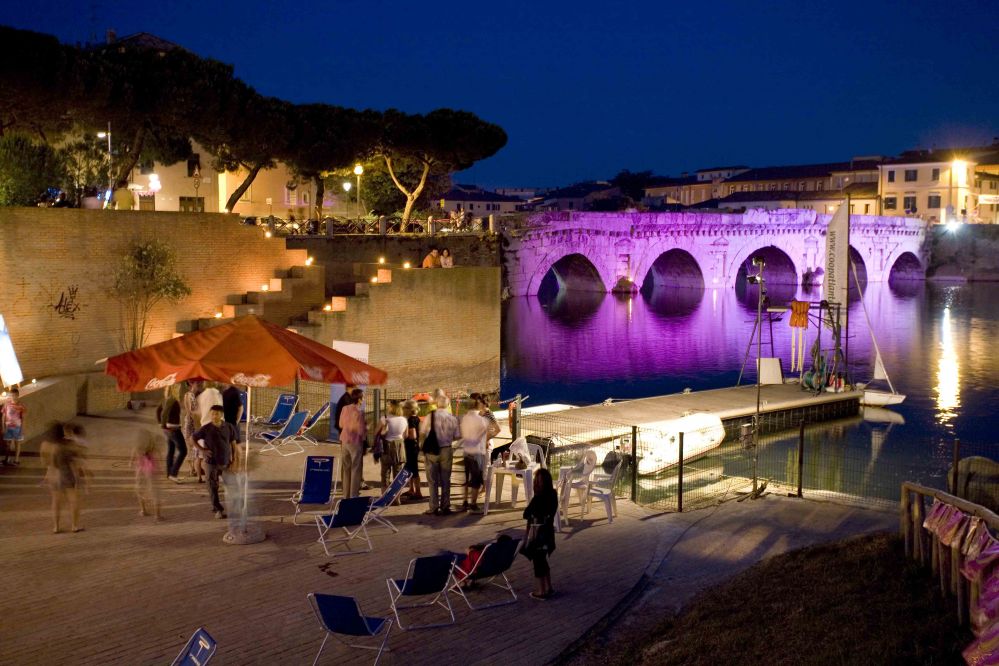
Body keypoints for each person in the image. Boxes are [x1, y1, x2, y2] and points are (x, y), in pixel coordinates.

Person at [40, 423, 89, 533]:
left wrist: (50, 474)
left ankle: (56, 527)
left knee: (56, 502)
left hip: (55, 474)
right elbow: (78, 460)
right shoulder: (69, 444)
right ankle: (74, 526)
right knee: (73, 500)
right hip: (68, 474)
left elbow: (48, 463)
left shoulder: (49, 445)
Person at [193, 405, 240, 519]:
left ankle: (235, 508)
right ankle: (218, 509)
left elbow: (233, 445)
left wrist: (234, 460)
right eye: (212, 413)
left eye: (217, 414)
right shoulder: (206, 428)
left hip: (225, 461)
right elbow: (193, 438)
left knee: (232, 484)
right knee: (212, 486)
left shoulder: (228, 427)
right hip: (210, 462)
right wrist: (202, 449)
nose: (214, 416)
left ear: (221, 415)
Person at [420, 393, 460, 516]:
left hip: (432, 450)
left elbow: (422, 433)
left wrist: (422, 447)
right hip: (447, 450)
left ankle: (433, 506)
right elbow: (457, 435)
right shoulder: (452, 418)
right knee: (445, 480)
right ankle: (445, 506)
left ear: (436, 404)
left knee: (432, 480)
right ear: (448, 404)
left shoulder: (430, 416)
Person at [523, 467, 558, 599]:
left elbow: (526, 513)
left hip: (538, 535)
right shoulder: (553, 494)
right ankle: (549, 587)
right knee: (543, 560)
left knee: (538, 562)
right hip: (548, 533)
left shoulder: (538, 498)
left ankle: (541, 591)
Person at [459, 401, 488, 513]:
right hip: (477, 452)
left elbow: (462, 433)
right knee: (476, 480)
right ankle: (473, 504)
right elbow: (482, 433)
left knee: (466, 479)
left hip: (466, 451)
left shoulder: (464, 418)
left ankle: (465, 501)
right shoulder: (481, 420)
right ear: (478, 407)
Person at [338, 389, 367, 498]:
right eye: (363, 397)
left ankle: (346, 495)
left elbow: (341, 424)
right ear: (359, 399)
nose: (363, 399)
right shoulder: (360, 412)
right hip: (355, 442)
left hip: (344, 440)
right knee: (356, 469)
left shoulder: (345, 408)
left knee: (346, 468)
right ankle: (354, 495)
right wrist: (365, 428)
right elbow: (360, 430)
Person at [131, 429, 161, 520]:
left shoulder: (137, 447)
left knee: (140, 490)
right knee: (155, 492)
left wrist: (132, 462)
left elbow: (132, 459)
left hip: (141, 471)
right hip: (151, 470)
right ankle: (157, 515)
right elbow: (159, 455)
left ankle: (143, 510)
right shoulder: (152, 446)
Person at [160, 384, 186, 482]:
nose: (179, 389)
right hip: (173, 429)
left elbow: (159, 410)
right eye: (178, 387)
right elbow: (163, 413)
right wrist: (163, 425)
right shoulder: (171, 399)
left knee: (171, 451)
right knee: (183, 451)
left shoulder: (167, 399)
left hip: (169, 429)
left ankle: (169, 474)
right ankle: (173, 473)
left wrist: (163, 426)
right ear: (174, 389)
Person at [181, 380, 205, 482]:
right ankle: (192, 469)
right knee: (191, 447)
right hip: (190, 424)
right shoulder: (189, 395)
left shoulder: (195, 395)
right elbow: (190, 412)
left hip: (194, 423)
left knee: (194, 447)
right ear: (191, 384)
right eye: (197, 383)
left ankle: (195, 469)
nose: (199, 384)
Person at [402, 400, 424, 501]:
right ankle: (411, 489)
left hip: (411, 446)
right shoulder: (417, 419)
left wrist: (404, 436)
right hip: (414, 446)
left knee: (414, 469)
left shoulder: (411, 420)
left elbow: (413, 435)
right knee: (410, 469)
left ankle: (418, 491)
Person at [2, 387, 26, 466]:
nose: (13, 397)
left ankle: (16, 460)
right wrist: (3, 427)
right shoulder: (7, 404)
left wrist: (22, 429)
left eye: (15, 395)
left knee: (17, 443)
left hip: (17, 427)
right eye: (12, 395)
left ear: (18, 395)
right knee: (7, 444)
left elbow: (23, 418)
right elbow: (3, 416)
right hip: (8, 427)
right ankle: (7, 458)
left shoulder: (21, 405)